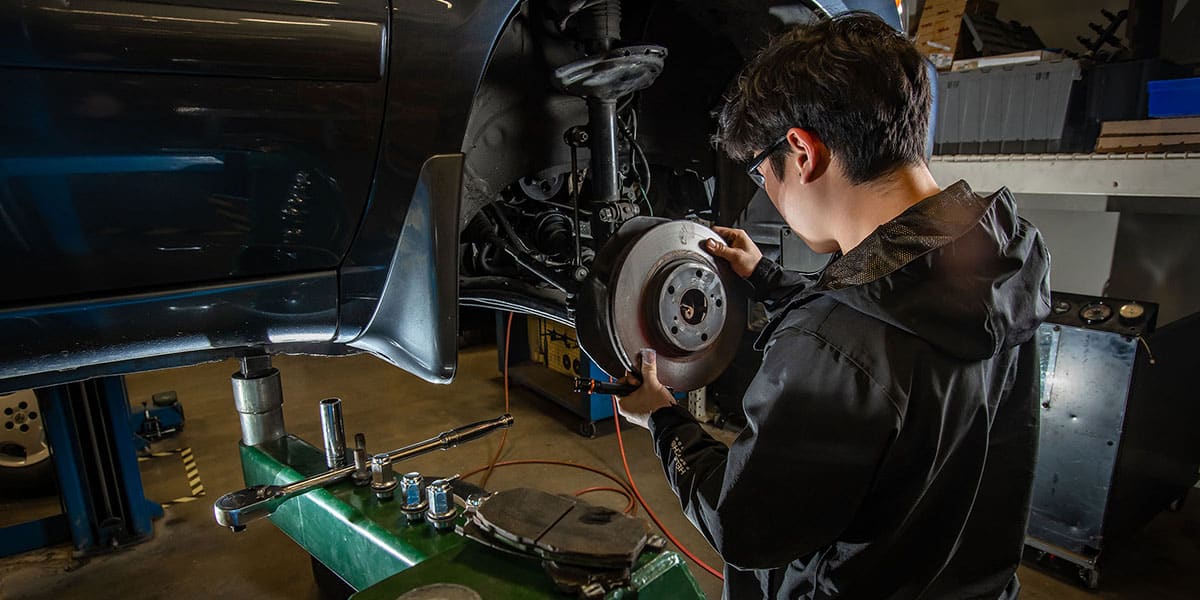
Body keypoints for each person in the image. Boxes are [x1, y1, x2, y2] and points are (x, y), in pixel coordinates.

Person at [615, 11, 1051, 600]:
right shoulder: (1003, 256)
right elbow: (890, 333)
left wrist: (664, 420)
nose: (765, 191)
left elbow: (743, 525)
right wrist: (768, 277)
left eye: (759, 173)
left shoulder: (832, 342)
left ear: (801, 151)